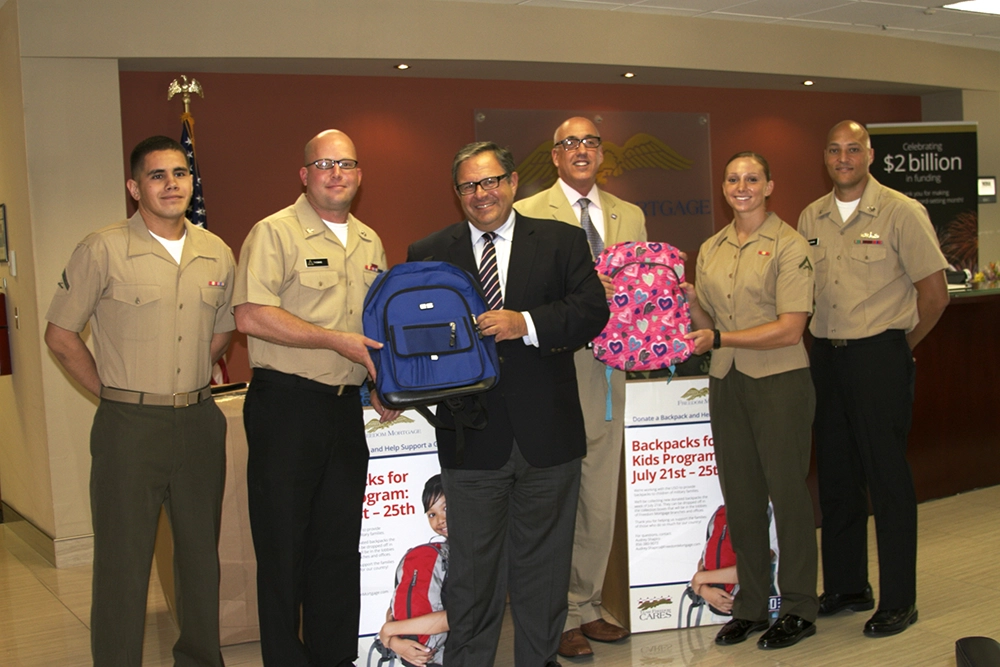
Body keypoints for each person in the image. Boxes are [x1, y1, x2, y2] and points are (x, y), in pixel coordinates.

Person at [406, 141, 609, 667]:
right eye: (470, 185)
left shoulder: (563, 241)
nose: (482, 193)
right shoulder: (428, 252)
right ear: (457, 194)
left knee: (544, 573)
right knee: (472, 577)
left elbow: (591, 311)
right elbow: (413, 340)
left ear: (514, 183)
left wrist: (526, 324)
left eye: (491, 180)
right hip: (469, 438)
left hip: (549, 434)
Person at [44, 135, 235, 667]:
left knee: (200, 558)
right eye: (157, 175)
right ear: (134, 187)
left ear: (191, 181)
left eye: (180, 173)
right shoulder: (102, 248)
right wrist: (110, 392)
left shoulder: (216, 250)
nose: (171, 184)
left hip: (198, 422)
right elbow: (60, 334)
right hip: (128, 425)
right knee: (123, 562)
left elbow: (221, 333)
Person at [233, 129, 398, 667]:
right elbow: (252, 314)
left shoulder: (371, 242)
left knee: (336, 548)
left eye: (346, 163)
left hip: (343, 412)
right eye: (324, 164)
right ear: (304, 175)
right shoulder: (274, 233)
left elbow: (376, 328)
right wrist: (334, 340)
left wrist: (383, 383)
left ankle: (334, 658)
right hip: (287, 406)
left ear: (358, 174)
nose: (336, 173)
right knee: (283, 548)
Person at [798, 120, 949, 638]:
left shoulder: (902, 212)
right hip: (828, 357)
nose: (844, 158)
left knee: (887, 479)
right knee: (837, 477)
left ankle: (899, 601)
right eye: (835, 149)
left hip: (879, 355)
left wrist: (897, 349)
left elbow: (935, 295)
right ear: (825, 155)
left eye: (854, 149)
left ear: (870, 155)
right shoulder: (810, 215)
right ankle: (846, 586)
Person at [514, 116, 645, 658]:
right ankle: (553, 614)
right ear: (555, 154)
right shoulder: (525, 212)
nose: (582, 151)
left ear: (601, 152)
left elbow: (639, 294)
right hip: (551, 368)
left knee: (597, 493)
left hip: (608, 370)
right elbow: (521, 292)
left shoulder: (629, 214)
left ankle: (585, 605)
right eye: (571, 143)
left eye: (591, 142)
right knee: (554, 496)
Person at [684, 152, 819, 650]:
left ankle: (801, 605)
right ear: (723, 187)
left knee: (787, 496)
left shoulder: (790, 244)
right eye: (733, 179)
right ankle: (752, 606)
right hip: (728, 380)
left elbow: (790, 329)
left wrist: (719, 338)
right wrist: (691, 300)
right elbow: (709, 321)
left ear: (769, 186)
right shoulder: (712, 246)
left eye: (752, 179)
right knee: (740, 498)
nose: (742, 186)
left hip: (779, 381)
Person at [379, 475, 449, 667]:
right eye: (432, 514)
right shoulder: (433, 555)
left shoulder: (466, 555)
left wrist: (389, 631)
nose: (440, 520)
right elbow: (395, 606)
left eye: (446, 508)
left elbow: (457, 617)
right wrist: (395, 642)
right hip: (423, 657)